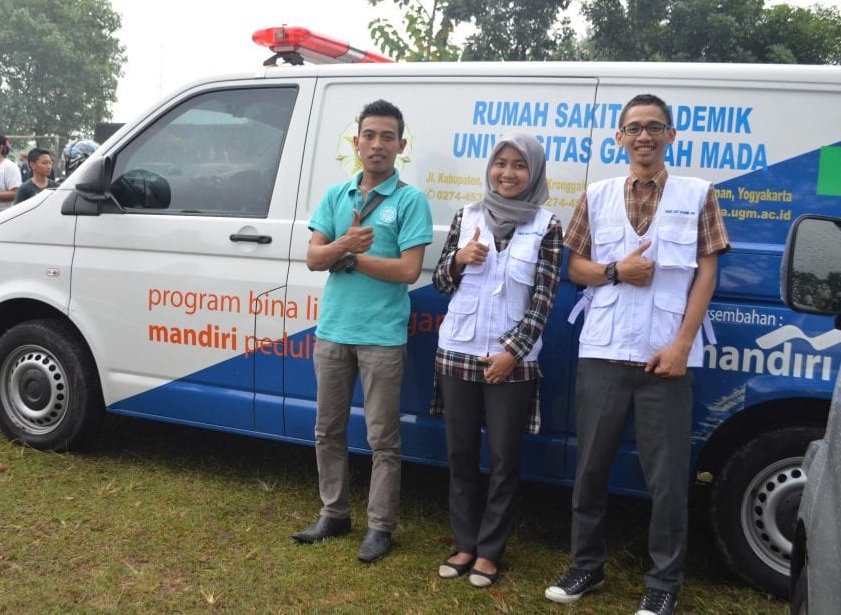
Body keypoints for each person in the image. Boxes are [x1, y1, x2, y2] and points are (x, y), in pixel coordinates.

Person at [544, 94, 729, 615]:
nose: (643, 136)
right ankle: (587, 565)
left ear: (671, 136)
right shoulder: (596, 195)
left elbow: (707, 273)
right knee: (590, 470)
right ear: (619, 138)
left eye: (654, 127)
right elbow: (573, 267)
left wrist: (681, 345)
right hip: (603, 352)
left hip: (665, 359)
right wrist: (614, 272)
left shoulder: (698, 194)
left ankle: (664, 581)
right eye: (633, 128)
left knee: (667, 480)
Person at [291, 99, 433, 563]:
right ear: (356, 143)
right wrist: (341, 246)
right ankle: (334, 514)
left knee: (382, 438)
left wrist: (348, 254)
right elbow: (313, 259)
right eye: (369, 136)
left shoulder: (410, 200)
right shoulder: (336, 196)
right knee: (327, 429)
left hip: (382, 337)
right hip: (333, 331)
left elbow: (409, 270)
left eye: (387, 137)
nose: (377, 145)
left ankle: (380, 526)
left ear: (401, 146)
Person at [432, 133, 563, 588]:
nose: (507, 173)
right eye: (500, 163)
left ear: (534, 173)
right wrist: (456, 260)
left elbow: (545, 298)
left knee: (505, 459)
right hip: (458, 352)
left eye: (519, 166)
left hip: (513, 361)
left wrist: (513, 351)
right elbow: (440, 285)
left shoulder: (547, 225)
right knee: (461, 454)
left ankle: (490, 551)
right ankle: (465, 543)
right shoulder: (466, 216)